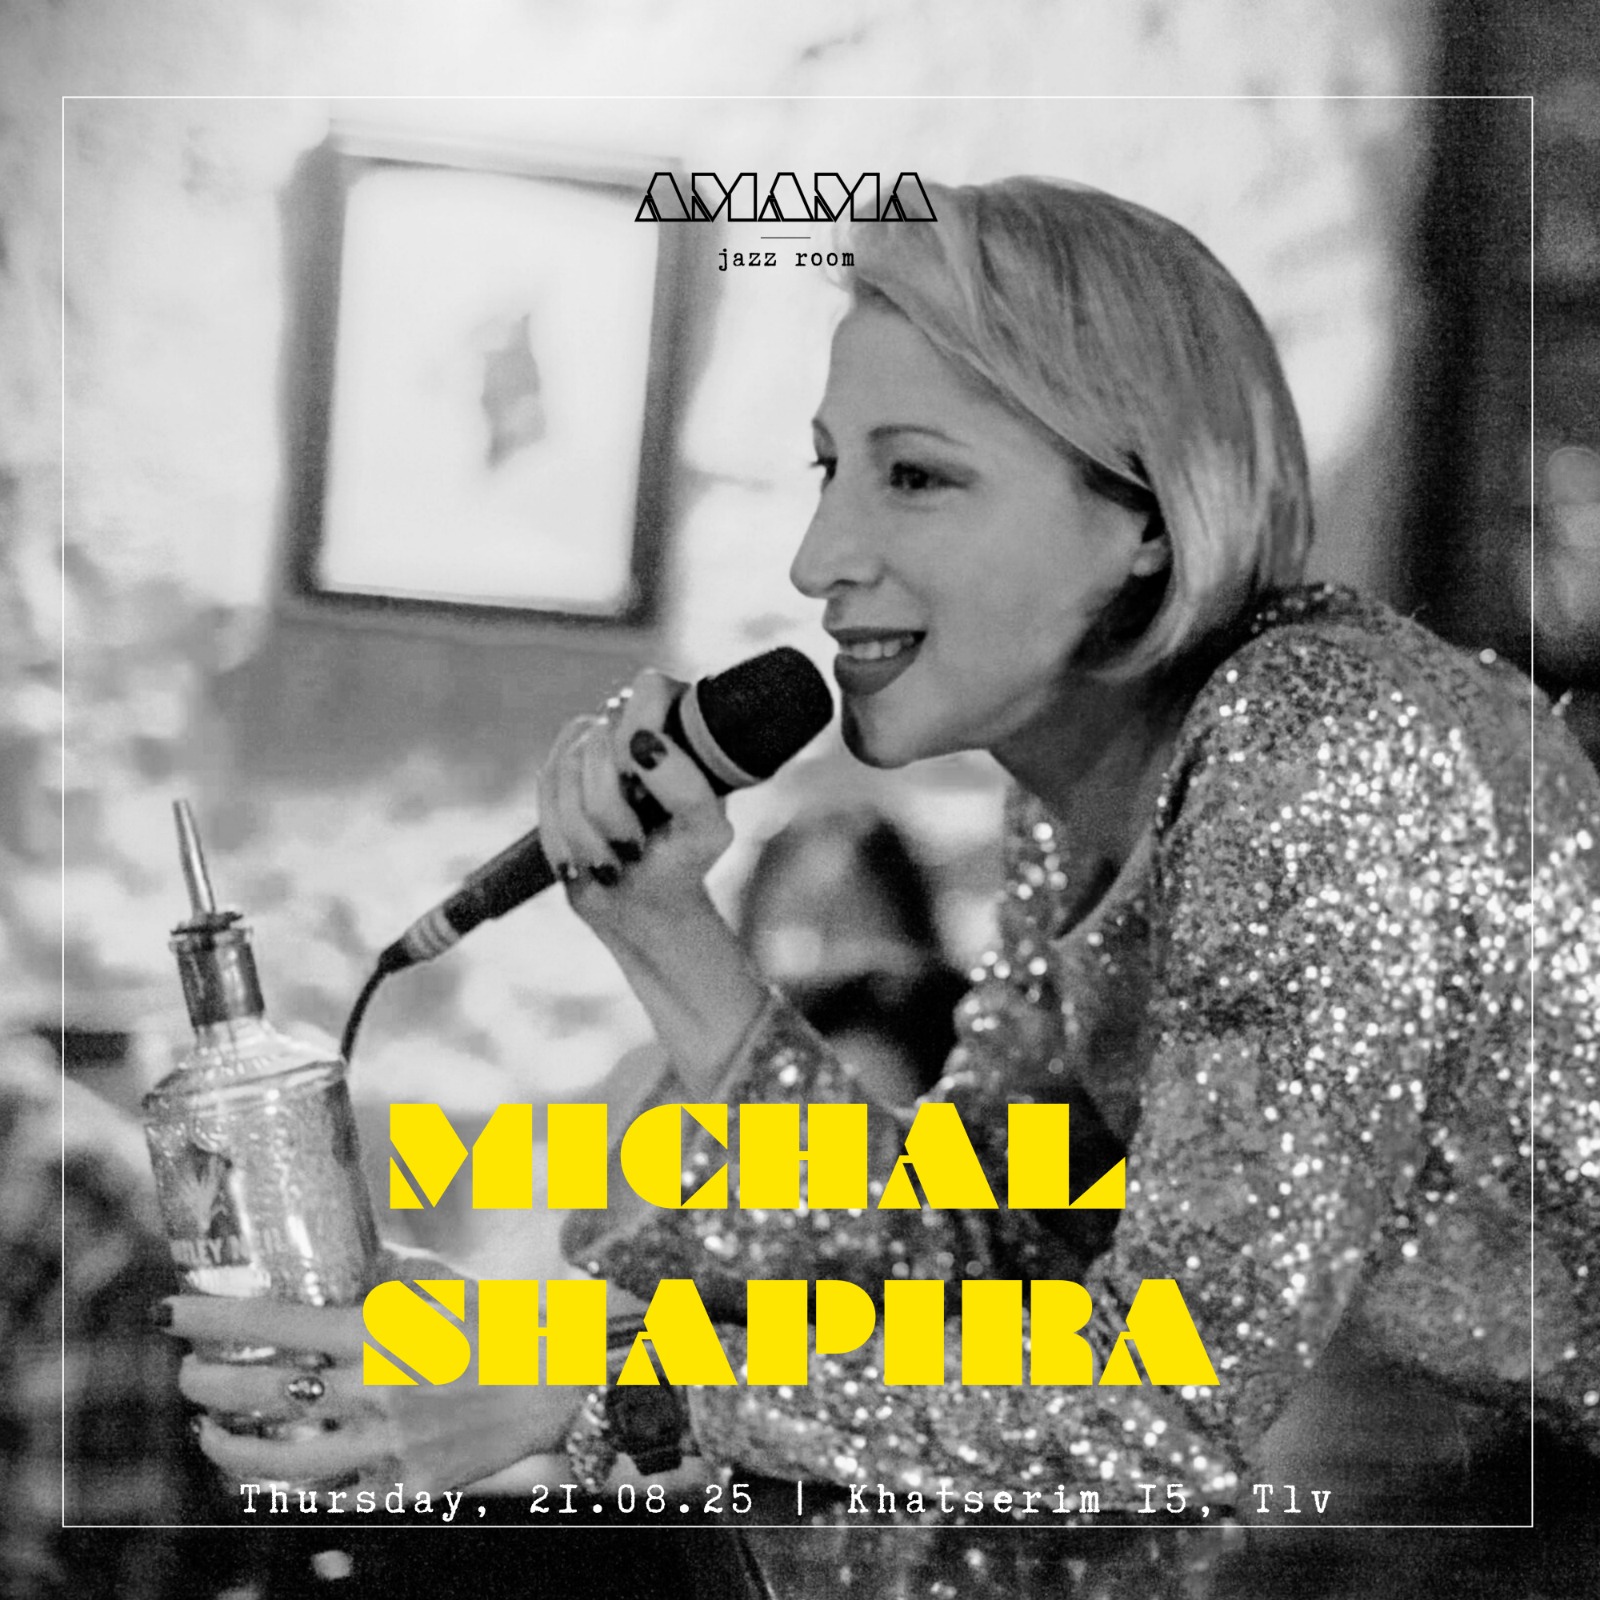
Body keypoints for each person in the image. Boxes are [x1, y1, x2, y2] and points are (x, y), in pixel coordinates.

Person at [165, 177, 1600, 1526]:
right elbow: (985, 1263)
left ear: (1148, 519)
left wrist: (591, 1382)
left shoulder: (1319, 745)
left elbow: (1165, 1400)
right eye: (829, 467)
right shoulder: (1082, 792)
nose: (818, 557)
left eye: (914, 476)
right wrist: (667, 934)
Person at [737, 802, 969, 1105]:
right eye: (795, 918)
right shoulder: (734, 1032)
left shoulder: (930, 1010)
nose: (813, 950)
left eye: (843, 919)